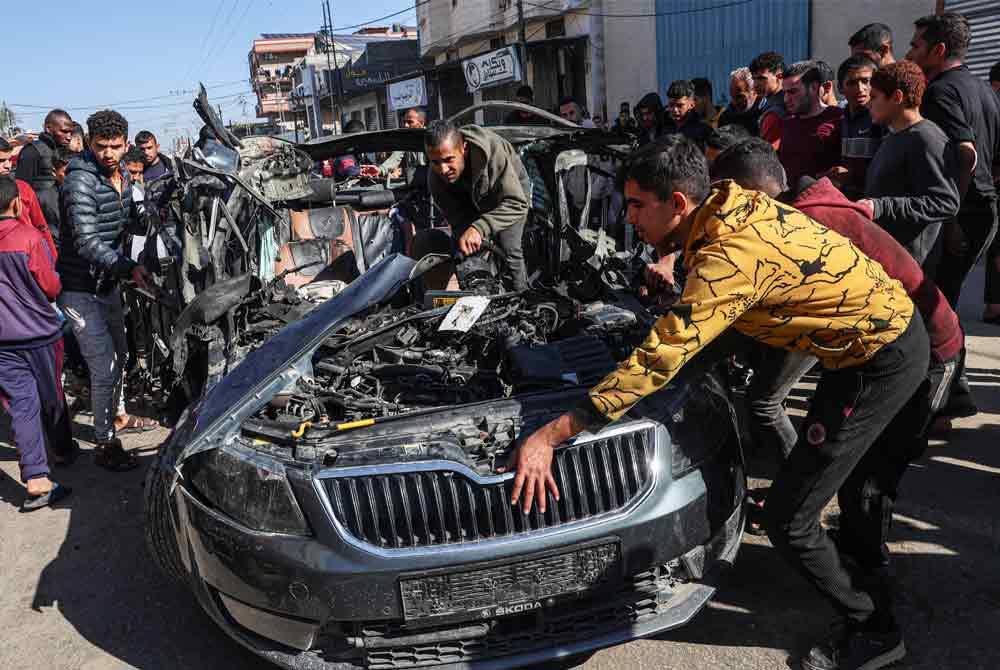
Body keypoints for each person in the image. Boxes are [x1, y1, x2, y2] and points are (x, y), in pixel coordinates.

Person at [509, 136, 925, 670]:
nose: (628, 217)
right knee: (809, 488)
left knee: (789, 519)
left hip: (881, 358)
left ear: (677, 203)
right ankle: (852, 563)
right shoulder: (727, 199)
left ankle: (876, 629)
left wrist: (553, 433)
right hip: (861, 345)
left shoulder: (727, 257)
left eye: (637, 205)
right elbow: (720, 321)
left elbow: (662, 356)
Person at [711, 142, 964, 666]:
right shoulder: (802, 214)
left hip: (930, 350)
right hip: (885, 350)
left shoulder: (807, 226)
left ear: (753, 193)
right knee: (845, 479)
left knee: (870, 483)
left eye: (729, 201)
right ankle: (852, 569)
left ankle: (875, 620)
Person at [57, 110, 158, 471]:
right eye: (102, 147)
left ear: (126, 144)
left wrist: (152, 213)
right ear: (89, 143)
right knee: (105, 367)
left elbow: (130, 220)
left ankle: (116, 418)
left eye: (116, 147)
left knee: (121, 358)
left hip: (108, 283)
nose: (109, 154)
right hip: (80, 288)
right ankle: (104, 443)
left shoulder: (122, 178)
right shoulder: (79, 182)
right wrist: (129, 268)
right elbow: (86, 241)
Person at [907, 12, 1000, 311]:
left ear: (939, 51)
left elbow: (965, 153)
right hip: (983, 209)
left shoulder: (940, 91)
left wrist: (951, 219)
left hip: (960, 213)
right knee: (946, 302)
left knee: (936, 308)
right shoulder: (986, 90)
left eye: (917, 46)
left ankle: (942, 358)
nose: (911, 53)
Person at [0, 176, 73, 511]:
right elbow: (51, 287)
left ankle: (36, 478)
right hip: (40, 334)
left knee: (22, 405)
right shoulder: (29, 237)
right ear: (17, 202)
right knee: (51, 395)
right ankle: (62, 449)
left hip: (3, 341)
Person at [857, 61, 960, 265]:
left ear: (897, 97)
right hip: (886, 255)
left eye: (875, 97)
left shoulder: (926, 139)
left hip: (911, 265)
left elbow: (945, 201)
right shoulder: (893, 136)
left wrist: (879, 207)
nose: (869, 103)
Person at [422, 120, 530, 291]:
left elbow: (517, 203)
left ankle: (523, 300)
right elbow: (458, 220)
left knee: (509, 247)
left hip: (509, 196)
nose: (443, 169)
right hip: (471, 197)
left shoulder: (492, 151)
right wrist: (466, 242)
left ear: (463, 148)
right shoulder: (435, 178)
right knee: (463, 250)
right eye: (435, 162)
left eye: (449, 159)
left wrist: (480, 227)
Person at [778, 61, 844, 187]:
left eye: (793, 92)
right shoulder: (788, 124)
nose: (786, 99)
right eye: (785, 92)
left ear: (813, 88)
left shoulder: (838, 118)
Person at [828, 55, 883, 199]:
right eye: (852, 83)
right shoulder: (842, 118)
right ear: (840, 88)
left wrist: (851, 175)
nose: (860, 89)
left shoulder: (882, 118)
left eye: (866, 81)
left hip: (875, 202)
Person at [15, 109, 74, 241]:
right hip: (42, 227)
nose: (69, 136)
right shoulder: (33, 151)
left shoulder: (63, 152)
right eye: (64, 131)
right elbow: (22, 191)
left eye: (71, 132)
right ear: (48, 128)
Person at [0, 138, 56, 258]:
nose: (7, 166)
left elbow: (41, 225)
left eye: (9, 160)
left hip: (31, 255)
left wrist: (52, 257)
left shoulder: (22, 188)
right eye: (1, 161)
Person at [366, 107, 429, 182]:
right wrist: (380, 170)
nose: (405, 125)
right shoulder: (406, 139)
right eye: (404, 122)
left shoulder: (430, 138)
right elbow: (395, 159)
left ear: (422, 123)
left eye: (410, 122)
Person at [749, 51, 786, 149]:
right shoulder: (770, 104)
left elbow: (768, 153)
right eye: (754, 79)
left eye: (761, 78)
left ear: (779, 77)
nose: (756, 84)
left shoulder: (775, 113)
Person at [662, 80, 713, 147]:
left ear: (692, 104)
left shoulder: (703, 130)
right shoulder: (663, 127)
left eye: (680, 105)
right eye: (671, 105)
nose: (675, 110)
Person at [718, 67, 760, 134]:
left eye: (739, 96)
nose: (734, 102)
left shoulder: (765, 114)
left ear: (754, 91)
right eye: (732, 96)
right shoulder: (726, 118)